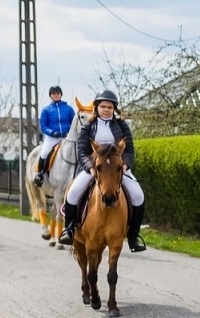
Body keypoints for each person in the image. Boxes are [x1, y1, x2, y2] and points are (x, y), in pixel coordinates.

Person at [58, 90, 146, 253]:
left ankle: (134, 237)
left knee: (138, 195)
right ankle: (69, 230)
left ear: (114, 109)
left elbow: (129, 149)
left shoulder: (122, 126)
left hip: (116, 169)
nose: (106, 110)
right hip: (94, 168)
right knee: (73, 192)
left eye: (110, 107)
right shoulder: (88, 127)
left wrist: (125, 165)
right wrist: (90, 167)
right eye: (103, 106)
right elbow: (82, 151)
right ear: (97, 108)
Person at [35, 86, 76, 181]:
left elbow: (74, 123)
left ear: (61, 94)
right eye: (53, 94)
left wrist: (70, 132)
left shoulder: (69, 109)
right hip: (52, 137)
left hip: (67, 137)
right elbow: (43, 126)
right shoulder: (46, 110)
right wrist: (52, 133)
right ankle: (40, 174)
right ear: (50, 96)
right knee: (44, 153)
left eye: (58, 93)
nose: (56, 95)